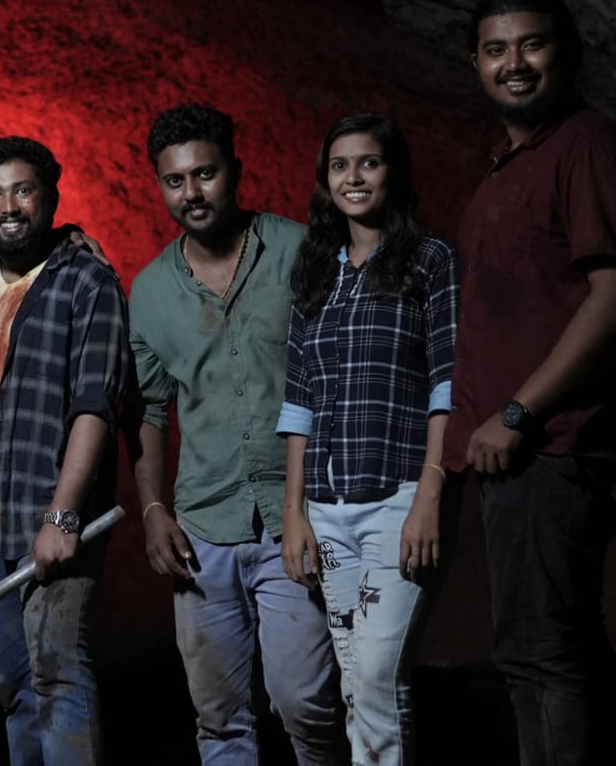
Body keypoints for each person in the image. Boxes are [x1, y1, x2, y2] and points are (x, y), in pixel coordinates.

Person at [445, 0, 616, 766]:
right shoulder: (510, 164)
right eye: (495, 49)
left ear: (567, 52)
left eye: (531, 44)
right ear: (475, 62)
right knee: (566, 644)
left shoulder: (585, 145)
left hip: (551, 442)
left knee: (537, 652)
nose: (513, 63)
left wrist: (516, 413)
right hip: (523, 449)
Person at [129, 104, 347, 765]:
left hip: (296, 516)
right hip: (202, 526)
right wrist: (152, 508)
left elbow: (344, 372)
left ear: (235, 171)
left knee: (304, 702)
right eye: (175, 181)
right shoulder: (149, 291)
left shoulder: (299, 251)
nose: (191, 193)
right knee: (219, 718)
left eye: (205, 173)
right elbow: (150, 410)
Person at [276, 114, 459, 766]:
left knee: (379, 674)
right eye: (339, 165)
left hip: (398, 497)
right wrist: (293, 511)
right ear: (325, 181)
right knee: (357, 679)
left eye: (369, 162)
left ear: (393, 172)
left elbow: (448, 384)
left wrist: (430, 495)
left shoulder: (430, 260)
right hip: (326, 506)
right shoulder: (315, 270)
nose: (353, 177)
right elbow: (298, 398)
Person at [0, 137, 129, 766]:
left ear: (50, 197)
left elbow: (95, 406)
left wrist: (63, 514)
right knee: (15, 685)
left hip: (46, 517)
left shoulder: (87, 280)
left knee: (58, 676)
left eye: (23, 190)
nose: (9, 206)